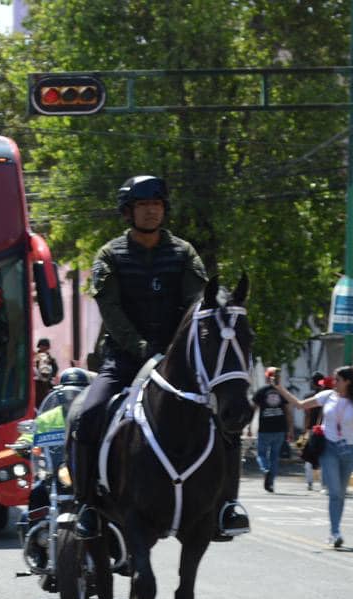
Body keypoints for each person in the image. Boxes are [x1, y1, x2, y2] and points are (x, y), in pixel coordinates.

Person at [70, 174, 249, 541]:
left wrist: (221, 307)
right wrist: (141, 349)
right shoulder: (109, 255)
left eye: (157, 205)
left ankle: (226, 507)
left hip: (177, 364)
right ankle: (86, 503)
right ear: (128, 212)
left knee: (227, 418)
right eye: (143, 206)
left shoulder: (184, 253)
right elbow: (111, 310)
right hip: (123, 360)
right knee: (88, 414)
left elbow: (199, 301)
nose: (152, 212)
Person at [275, 366, 353, 548]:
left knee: (340, 493)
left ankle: (335, 529)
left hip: (350, 449)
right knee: (334, 492)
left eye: (338, 379)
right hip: (329, 448)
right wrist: (280, 388)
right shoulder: (327, 396)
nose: (334, 382)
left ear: (347, 381)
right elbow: (300, 405)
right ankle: (335, 532)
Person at [252, 367, 291, 493]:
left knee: (261, 454)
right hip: (280, 429)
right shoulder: (282, 392)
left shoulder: (261, 391)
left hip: (264, 429)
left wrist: (248, 426)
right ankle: (271, 483)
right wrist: (290, 429)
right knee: (274, 456)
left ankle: (265, 470)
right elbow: (288, 412)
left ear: (267, 377)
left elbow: (254, 409)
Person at [33, 338, 59, 407]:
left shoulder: (51, 359)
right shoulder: (34, 357)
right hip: (36, 384)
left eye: (45, 346)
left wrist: (50, 377)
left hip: (46, 385)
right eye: (42, 346)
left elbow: (55, 369)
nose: (43, 348)